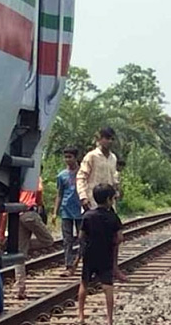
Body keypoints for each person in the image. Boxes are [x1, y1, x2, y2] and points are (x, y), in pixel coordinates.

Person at [77, 127, 128, 281]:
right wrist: (83, 197)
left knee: (114, 237)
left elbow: (114, 177)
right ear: (99, 139)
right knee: (90, 238)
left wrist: (117, 191)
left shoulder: (112, 158)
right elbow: (81, 177)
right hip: (92, 203)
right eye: (106, 137)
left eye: (111, 138)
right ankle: (88, 269)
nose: (108, 141)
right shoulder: (91, 156)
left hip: (109, 203)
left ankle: (114, 268)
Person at [77, 184, 123, 325]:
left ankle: (81, 315)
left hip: (90, 254)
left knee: (84, 283)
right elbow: (119, 237)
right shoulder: (113, 217)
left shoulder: (88, 215)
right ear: (109, 199)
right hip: (106, 255)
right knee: (107, 286)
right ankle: (109, 319)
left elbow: (81, 236)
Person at [14, 176, 54, 299]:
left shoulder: (16, 179)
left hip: (16, 214)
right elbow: (40, 190)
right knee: (48, 240)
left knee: (20, 254)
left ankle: (20, 289)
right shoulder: (35, 178)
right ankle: (23, 247)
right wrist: (40, 203)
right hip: (30, 212)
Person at [53, 147, 82, 276]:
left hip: (81, 209)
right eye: (66, 157)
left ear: (76, 157)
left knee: (83, 238)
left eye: (70, 157)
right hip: (66, 210)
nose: (68, 160)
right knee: (67, 239)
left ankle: (80, 261)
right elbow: (59, 194)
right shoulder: (61, 175)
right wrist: (55, 212)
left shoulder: (83, 173)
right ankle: (69, 265)